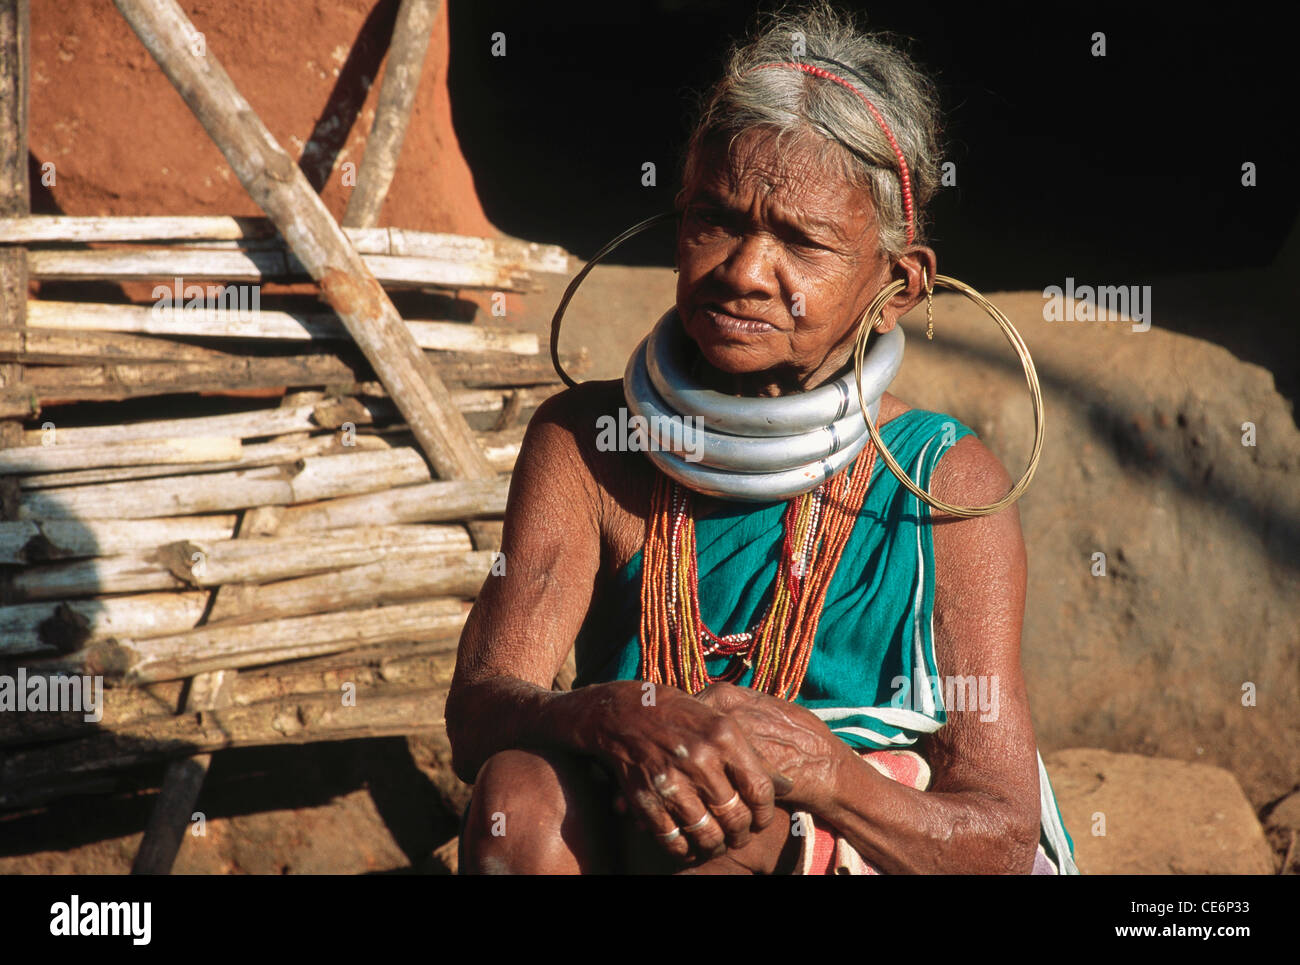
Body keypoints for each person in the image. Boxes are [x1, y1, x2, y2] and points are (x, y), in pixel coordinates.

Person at [446, 1, 1076, 874]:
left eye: (800, 242)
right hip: (636, 827)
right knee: (521, 798)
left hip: (833, 849)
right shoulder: (589, 445)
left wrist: (818, 768)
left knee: (720, 829)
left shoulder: (944, 486)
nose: (743, 271)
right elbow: (478, 711)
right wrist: (613, 712)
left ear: (898, 286)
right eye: (716, 219)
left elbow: (1001, 836)